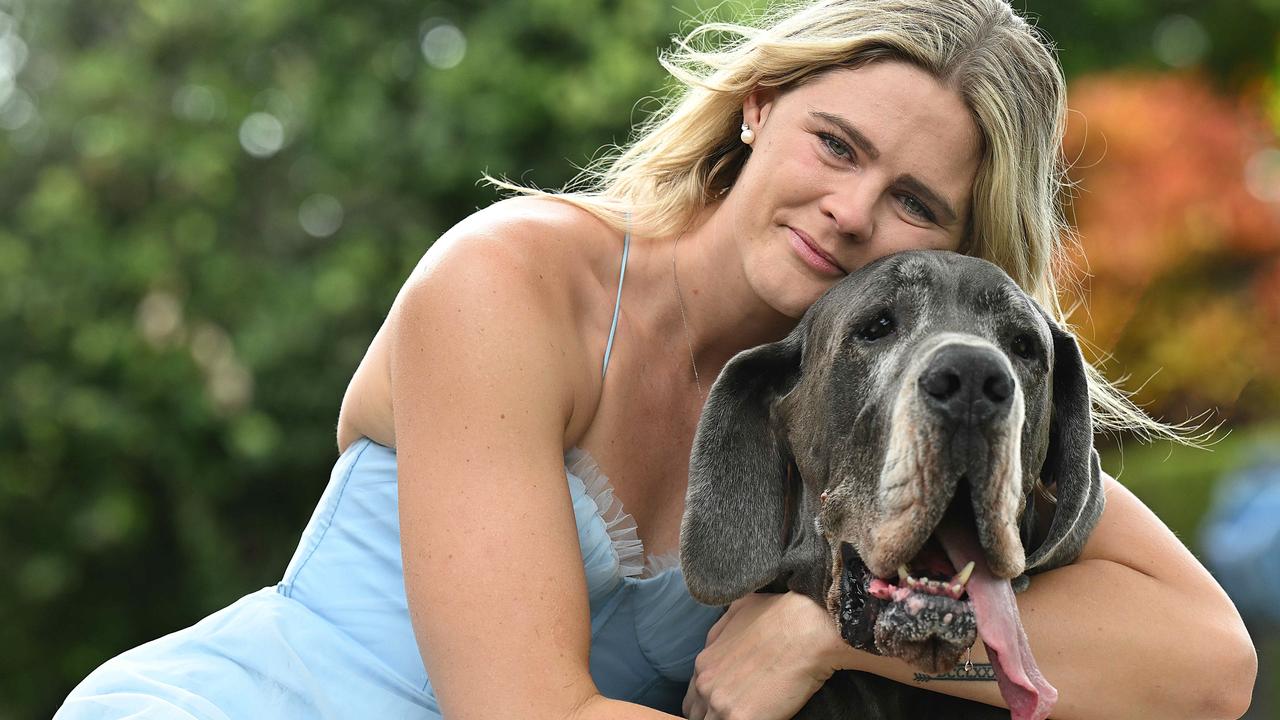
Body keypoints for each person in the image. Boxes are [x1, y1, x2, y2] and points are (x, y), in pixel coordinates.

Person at [58, 0, 1256, 718]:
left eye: (911, 203)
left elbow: (1201, 668)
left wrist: (837, 632)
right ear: (757, 107)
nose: (845, 211)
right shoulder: (512, 280)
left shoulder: (851, 398)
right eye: (831, 144)